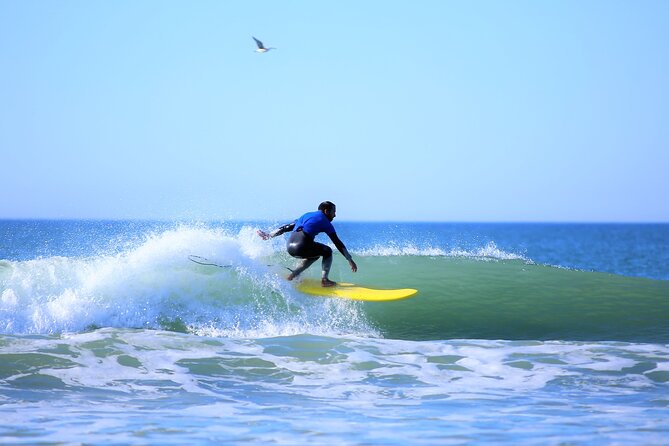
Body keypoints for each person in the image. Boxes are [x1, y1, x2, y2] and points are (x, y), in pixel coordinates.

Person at [257, 201, 358, 287]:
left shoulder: (306, 215)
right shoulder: (325, 221)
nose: (335, 215)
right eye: (333, 212)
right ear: (326, 211)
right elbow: (337, 242)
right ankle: (325, 280)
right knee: (327, 251)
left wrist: (269, 235)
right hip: (301, 246)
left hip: (290, 247)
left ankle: (293, 275)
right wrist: (349, 259)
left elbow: (287, 227)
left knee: (314, 255)